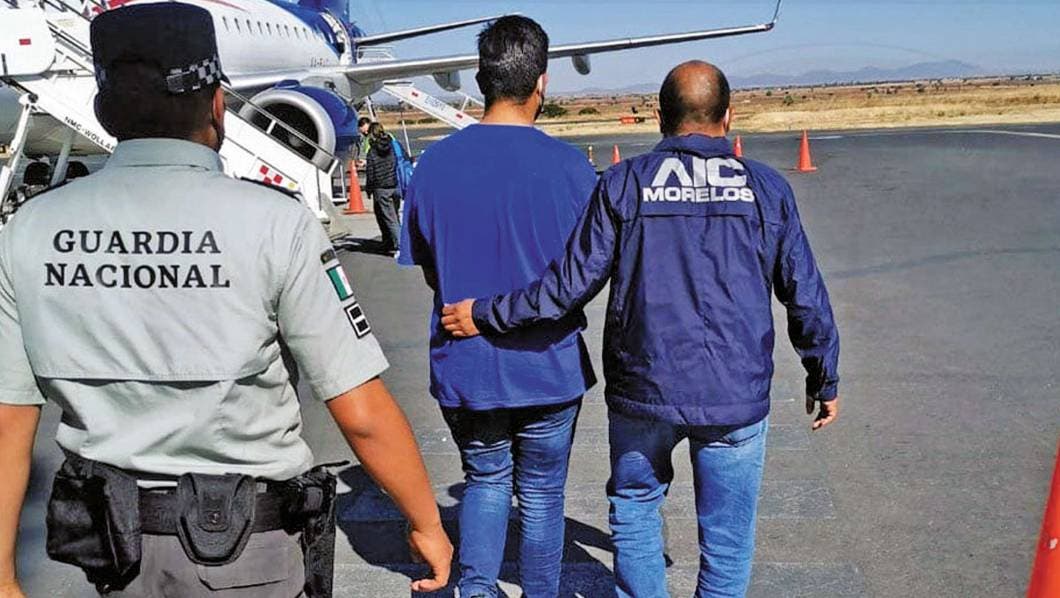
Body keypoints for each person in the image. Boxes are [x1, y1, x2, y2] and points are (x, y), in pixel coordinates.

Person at [0, 5, 451, 598]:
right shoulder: (275, 223)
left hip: (112, 553)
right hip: (244, 552)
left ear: (103, 110)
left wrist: (3, 575)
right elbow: (360, 409)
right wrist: (425, 523)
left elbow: (9, 420)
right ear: (217, 105)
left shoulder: (29, 230)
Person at [442, 60, 842, 598]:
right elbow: (804, 292)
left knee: (634, 508)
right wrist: (823, 374)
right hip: (735, 392)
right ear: (728, 115)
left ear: (659, 116)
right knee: (726, 539)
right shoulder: (766, 189)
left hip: (643, 388)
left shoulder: (625, 183)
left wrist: (487, 313)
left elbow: (567, 286)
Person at [399, 16, 597, 598]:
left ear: (482, 80)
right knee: (542, 494)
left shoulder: (434, 164)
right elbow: (584, 275)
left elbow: (430, 267)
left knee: (485, 478)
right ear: (541, 82)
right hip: (548, 365)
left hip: (467, 363)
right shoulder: (571, 168)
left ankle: (477, 588)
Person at [364, 122, 402, 255]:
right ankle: (389, 242)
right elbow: (396, 163)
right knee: (393, 216)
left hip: (381, 188)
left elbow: (370, 172)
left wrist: (369, 189)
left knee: (389, 219)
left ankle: (401, 246)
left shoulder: (372, 151)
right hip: (394, 185)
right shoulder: (391, 147)